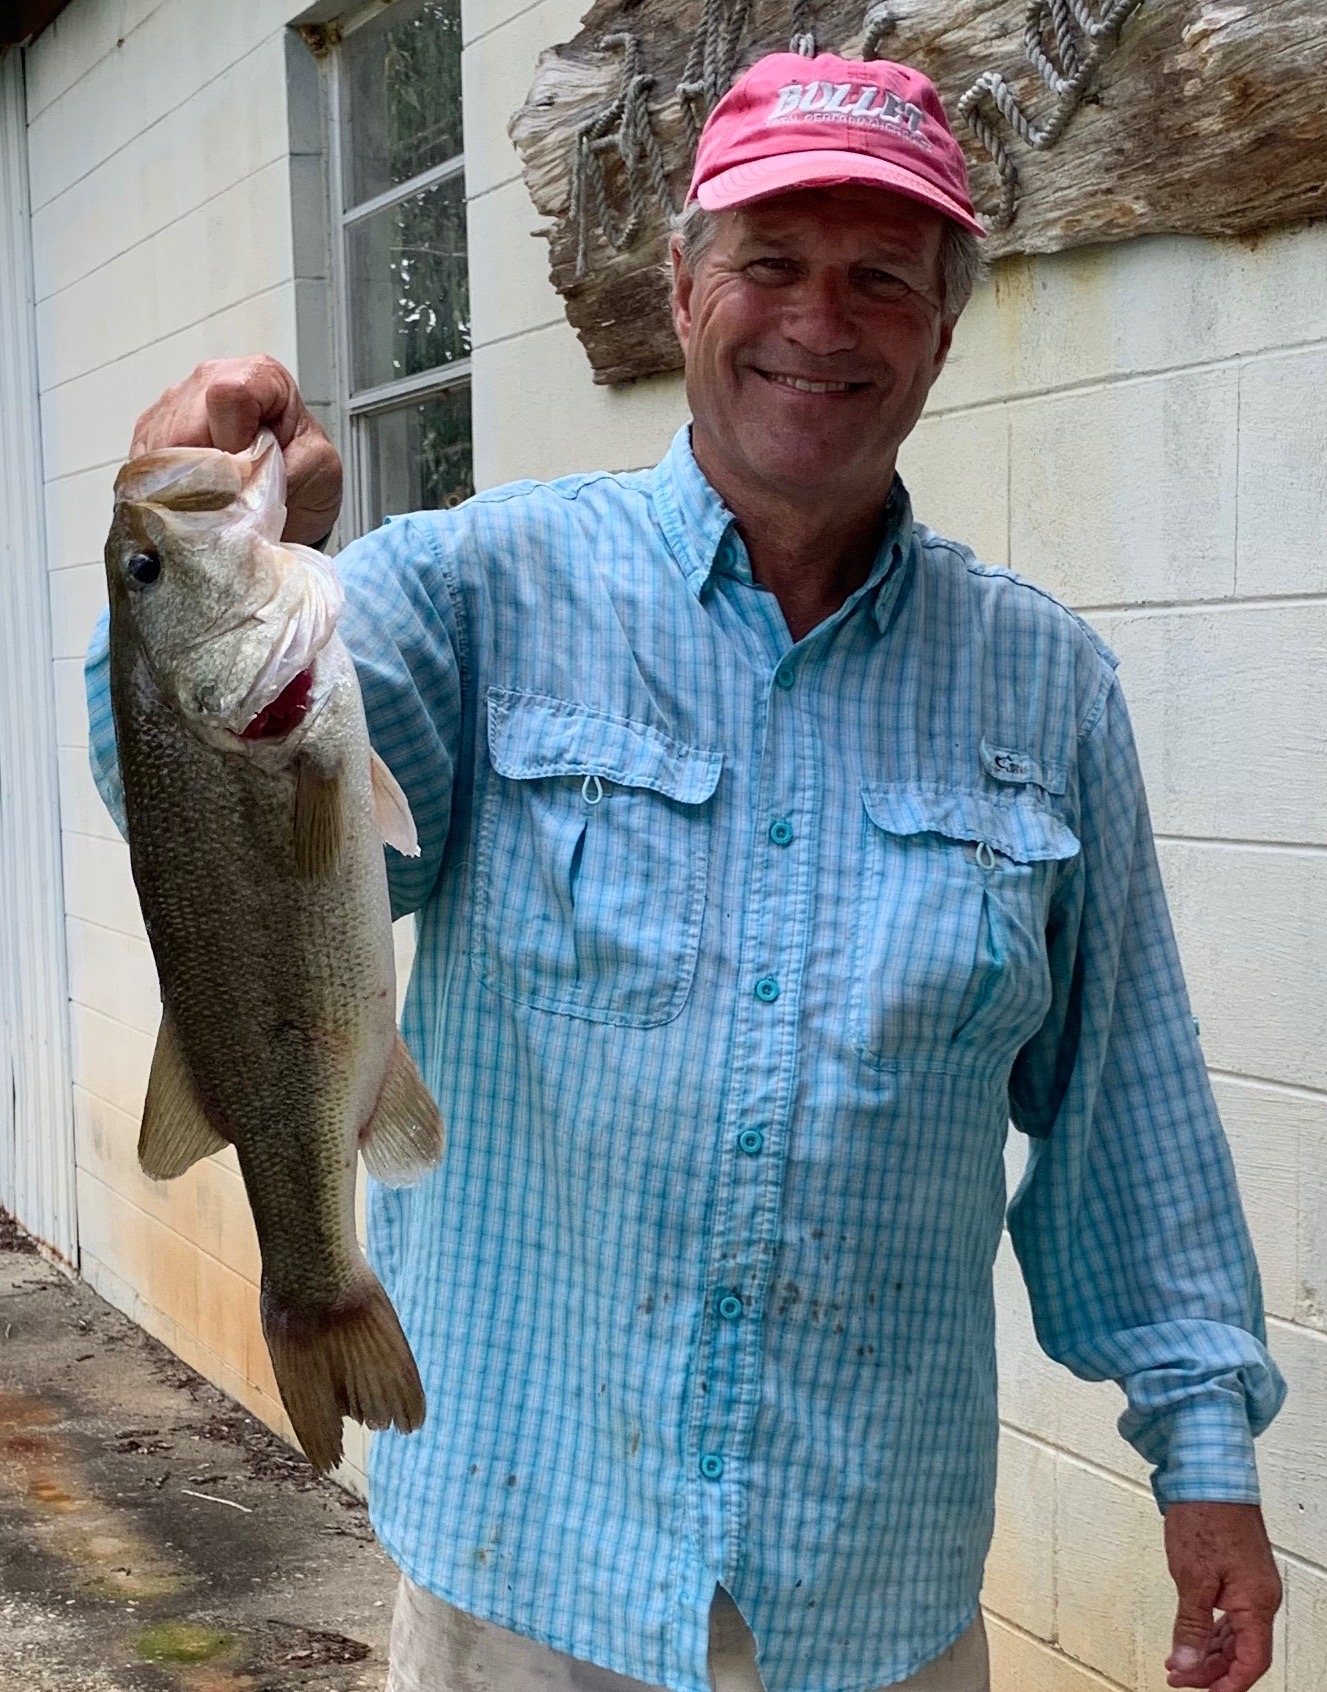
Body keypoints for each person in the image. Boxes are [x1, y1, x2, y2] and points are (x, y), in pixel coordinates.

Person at [86, 50, 1286, 1692]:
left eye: (882, 278)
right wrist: (180, 546)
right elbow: (191, 801)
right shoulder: (475, 593)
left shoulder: (1047, 692)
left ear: (943, 332)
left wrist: (1204, 1454)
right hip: (525, 1581)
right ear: (681, 288)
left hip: (873, 1596)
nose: (821, 319)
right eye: (770, 262)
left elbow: (1125, 1102)